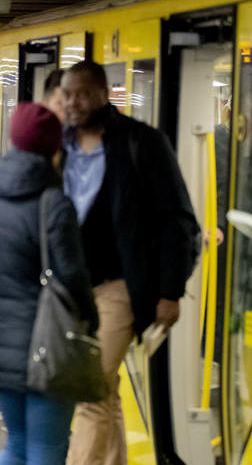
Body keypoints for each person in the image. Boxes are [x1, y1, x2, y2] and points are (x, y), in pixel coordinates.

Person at [59, 61, 200, 465]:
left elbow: (178, 221)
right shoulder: (62, 147)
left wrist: (170, 293)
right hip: (71, 289)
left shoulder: (141, 143)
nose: (74, 102)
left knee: (89, 388)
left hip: (119, 286)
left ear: (104, 93)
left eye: (82, 93)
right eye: (67, 94)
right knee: (103, 391)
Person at [0, 103, 98, 464]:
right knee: (47, 450)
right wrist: (90, 322)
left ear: (12, 140)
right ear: (55, 147)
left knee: (17, 445)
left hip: (0, 344)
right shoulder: (53, 204)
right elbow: (72, 279)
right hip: (48, 349)